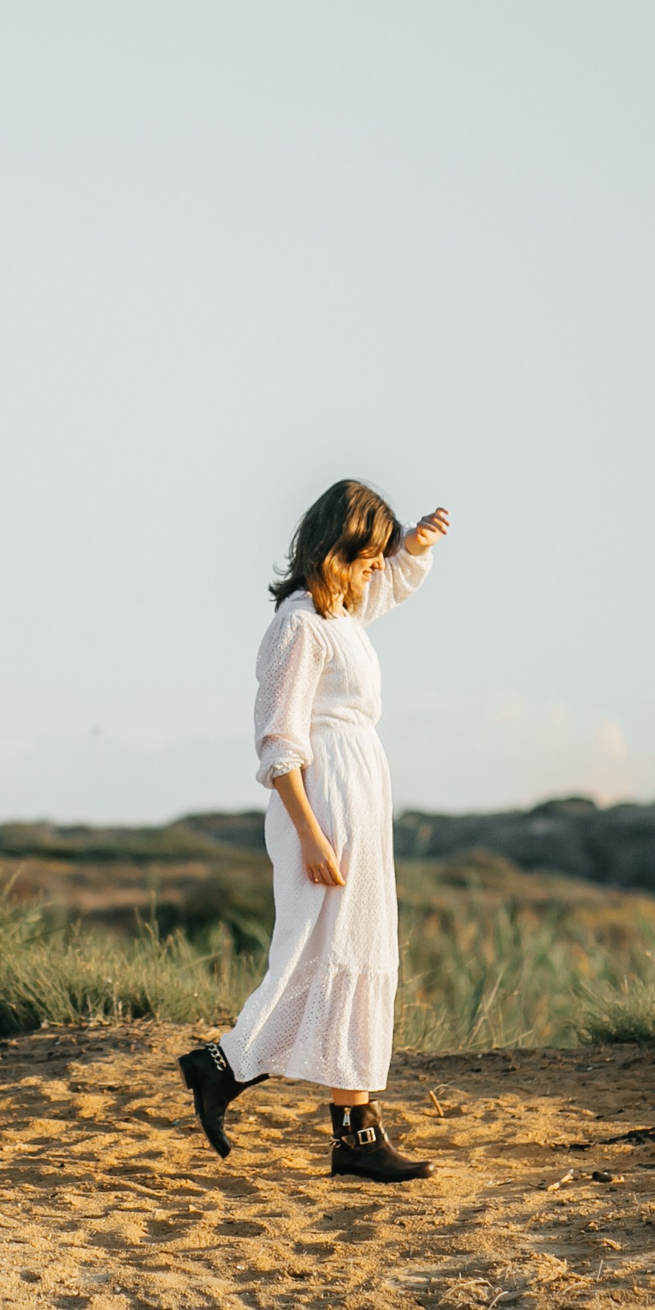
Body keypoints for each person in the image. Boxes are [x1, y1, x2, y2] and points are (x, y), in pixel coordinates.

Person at [180, 482, 449, 1183]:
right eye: (370, 556)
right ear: (340, 548)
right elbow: (278, 739)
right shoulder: (297, 626)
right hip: (323, 796)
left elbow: (382, 592)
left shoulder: (341, 616)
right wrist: (310, 833)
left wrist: (413, 547)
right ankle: (226, 1065)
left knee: (360, 951)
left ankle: (355, 1136)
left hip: (357, 788)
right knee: (317, 950)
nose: (377, 570)